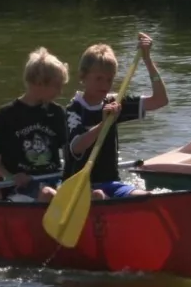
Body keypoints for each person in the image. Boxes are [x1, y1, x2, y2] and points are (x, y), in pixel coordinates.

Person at [64, 34, 168, 198]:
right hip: (79, 186)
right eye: (98, 79)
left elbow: (160, 100)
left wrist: (147, 60)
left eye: (109, 79)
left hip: (111, 184)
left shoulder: (115, 103)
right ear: (83, 76)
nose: (104, 85)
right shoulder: (74, 109)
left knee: (147, 197)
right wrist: (103, 124)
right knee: (99, 196)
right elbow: (76, 147)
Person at [0, 48, 72, 200]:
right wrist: (10, 177)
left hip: (53, 180)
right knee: (48, 195)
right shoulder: (7, 114)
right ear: (39, 83)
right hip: (20, 186)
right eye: (57, 86)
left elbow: (68, 152)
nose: (60, 92)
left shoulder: (57, 113)